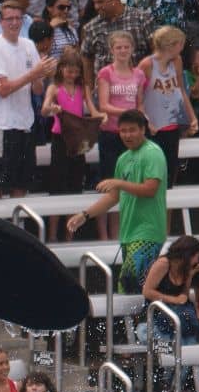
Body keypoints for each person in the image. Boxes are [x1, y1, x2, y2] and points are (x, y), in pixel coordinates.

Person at [67, 109, 167, 293]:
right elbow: (114, 196)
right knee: (129, 287)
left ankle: (143, 321)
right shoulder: (123, 159)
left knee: (131, 281)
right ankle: (136, 322)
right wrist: (85, 214)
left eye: (132, 130)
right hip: (128, 232)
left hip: (148, 231)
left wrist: (119, 182)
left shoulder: (152, 153)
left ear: (143, 129)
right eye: (123, 131)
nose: (127, 135)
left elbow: (150, 189)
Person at [0, 0, 56, 199]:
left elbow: (38, 88)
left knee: (21, 181)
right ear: (1, 22)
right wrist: (33, 74)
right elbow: (3, 89)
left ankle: (19, 225)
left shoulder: (29, 45)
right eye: (9, 19)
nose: (14, 23)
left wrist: (43, 73)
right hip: (1, 124)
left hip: (24, 123)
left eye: (18, 18)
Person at [41, 48, 103, 241]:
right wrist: (52, 108)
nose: (72, 75)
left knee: (75, 186)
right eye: (69, 71)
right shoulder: (54, 87)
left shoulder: (82, 88)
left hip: (77, 140)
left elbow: (93, 111)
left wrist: (102, 117)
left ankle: (69, 236)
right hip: (60, 140)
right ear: (61, 70)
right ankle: (52, 236)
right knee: (57, 187)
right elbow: (44, 110)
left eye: (76, 71)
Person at [94, 31, 146, 241]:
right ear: (112, 50)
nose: (123, 51)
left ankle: (120, 232)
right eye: (119, 47)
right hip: (111, 134)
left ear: (132, 49)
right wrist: (128, 115)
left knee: (127, 185)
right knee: (109, 184)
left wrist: (139, 119)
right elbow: (104, 104)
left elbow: (139, 103)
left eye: (126, 47)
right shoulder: (106, 73)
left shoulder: (139, 75)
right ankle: (103, 234)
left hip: (132, 137)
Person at [139, 26, 199, 190]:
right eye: (180, 44)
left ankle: (168, 215)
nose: (182, 48)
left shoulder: (177, 61)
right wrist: (146, 121)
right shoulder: (146, 65)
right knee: (152, 178)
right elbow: (137, 99)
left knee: (169, 178)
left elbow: (180, 91)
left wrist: (192, 117)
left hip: (172, 125)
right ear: (171, 45)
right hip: (153, 128)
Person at [142, 235, 199, 341]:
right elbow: (147, 291)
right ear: (189, 254)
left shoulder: (185, 267)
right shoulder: (164, 263)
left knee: (191, 319)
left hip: (177, 310)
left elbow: (183, 296)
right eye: (197, 257)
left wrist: (189, 275)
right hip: (159, 310)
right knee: (183, 317)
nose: (197, 261)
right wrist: (174, 300)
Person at [81, 0, 154, 75]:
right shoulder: (91, 27)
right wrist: (88, 87)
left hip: (139, 84)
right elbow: (86, 58)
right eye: (95, 3)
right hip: (105, 85)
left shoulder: (141, 19)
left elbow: (156, 50)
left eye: (100, 2)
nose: (96, 7)